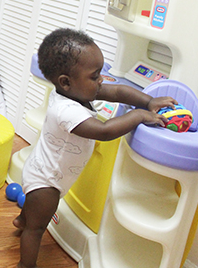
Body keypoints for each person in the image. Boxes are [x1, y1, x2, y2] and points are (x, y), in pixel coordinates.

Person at [13, 28, 176, 268]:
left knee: (32, 213)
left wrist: (149, 101)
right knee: (36, 229)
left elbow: (118, 91)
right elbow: (104, 131)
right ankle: (25, 264)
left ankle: (21, 219)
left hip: (44, 169)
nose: (101, 80)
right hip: (46, 181)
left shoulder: (79, 92)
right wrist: (139, 115)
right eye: (95, 75)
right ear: (66, 82)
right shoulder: (66, 111)